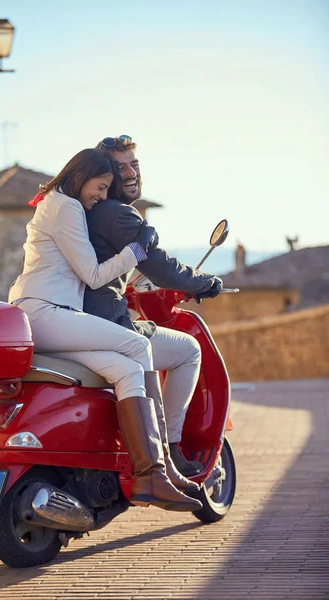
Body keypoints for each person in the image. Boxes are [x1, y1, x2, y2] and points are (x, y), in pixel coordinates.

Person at [9, 148, 203, 513]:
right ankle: (155, 469)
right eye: (99, 187)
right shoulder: (64, 206)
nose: (100, 196)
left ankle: (151, 471)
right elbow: (94, 275)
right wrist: (138, 247)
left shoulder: (57, 203)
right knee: (137, 346)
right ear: (81, 177)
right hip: (47, 312)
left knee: (127, 368)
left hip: (48, 314)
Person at [84, 136, 223, 476]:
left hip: (78, 318)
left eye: (135, 164)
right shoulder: (117, 214)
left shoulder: (87, 211)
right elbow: (160, 266)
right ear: (105, 175)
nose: (131, 173)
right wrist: (203, 282)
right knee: (188, 351)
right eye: (120, 168)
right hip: (108, 323)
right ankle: (170, 449)